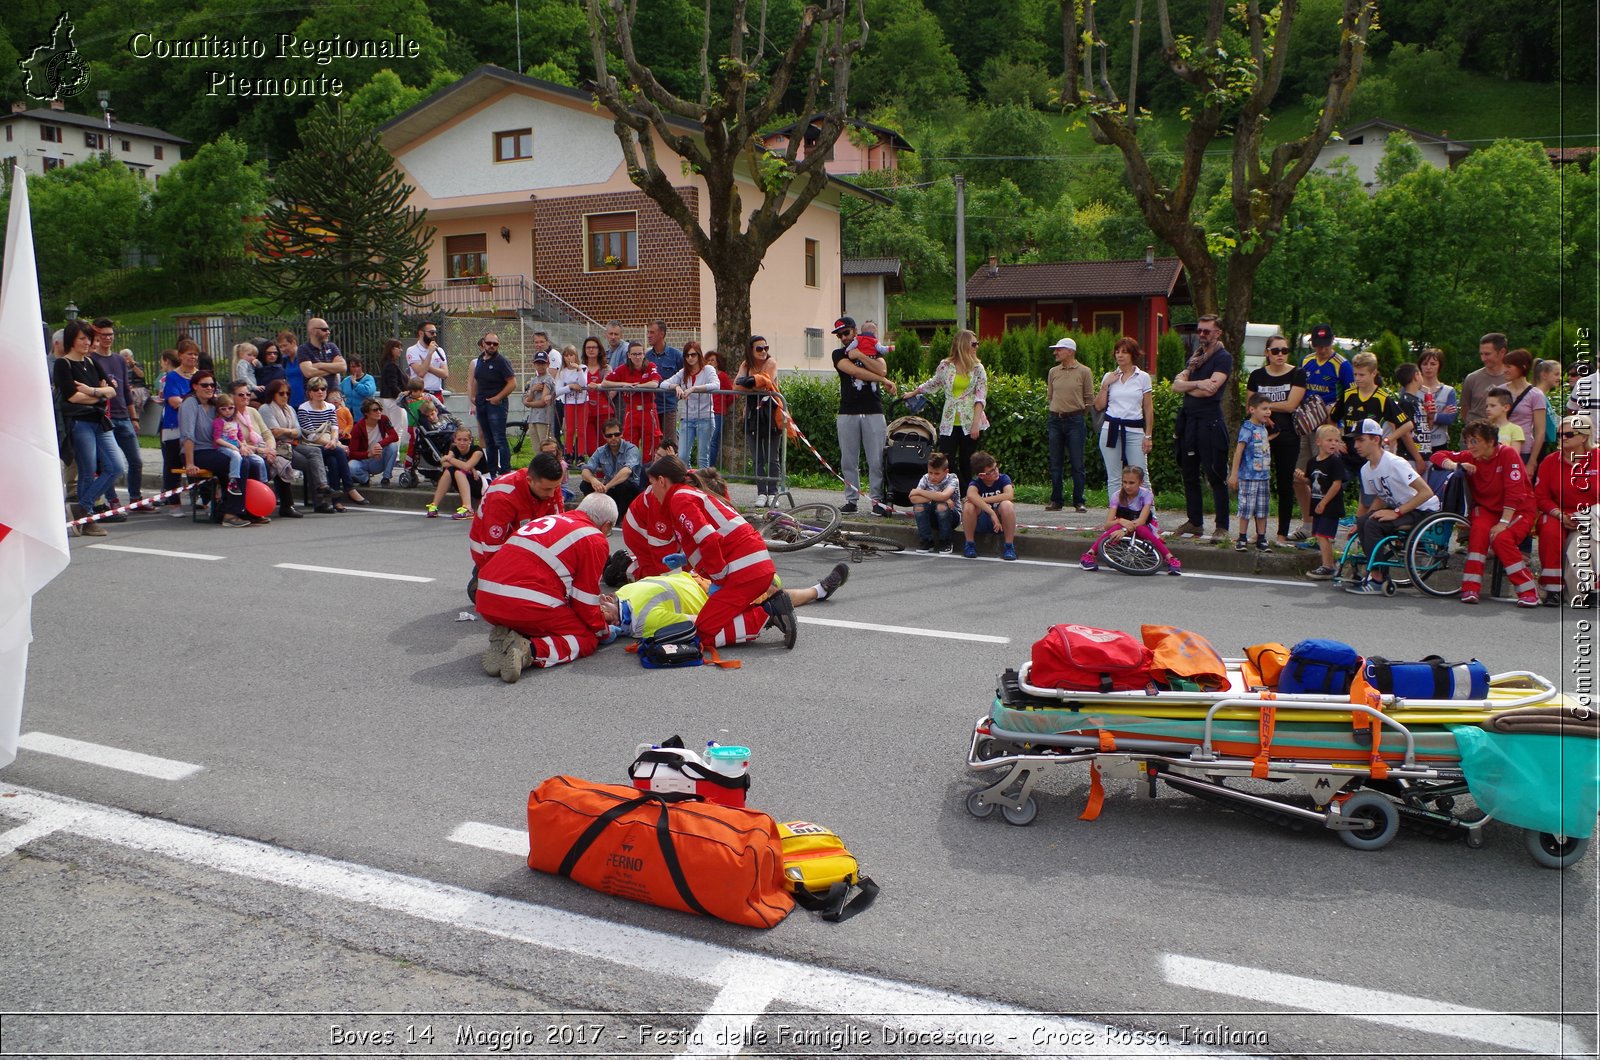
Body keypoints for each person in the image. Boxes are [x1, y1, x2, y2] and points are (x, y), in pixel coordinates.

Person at [644, 456, 797, 650]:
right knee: (708, 624)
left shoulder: (679, 499)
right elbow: (711, 538)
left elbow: (709, 539)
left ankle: (767, 612)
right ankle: (769, 610)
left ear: (661, 481)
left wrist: (718, 578)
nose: (651, 491)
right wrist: (686, 559)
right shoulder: (687, 494)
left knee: (703, 635)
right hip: (752, 568)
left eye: (651, 484)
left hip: (744, 573)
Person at [475, 494, 621, 683]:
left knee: (549, 613)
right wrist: (603, 631)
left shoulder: (549, 520)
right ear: (607, 525)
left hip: (486, 597)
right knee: (585, 639)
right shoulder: (594, 538)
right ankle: (528, 651)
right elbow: (584, 601)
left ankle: (508, 636)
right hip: (523, 603)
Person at [1430, 422, 1539, 607]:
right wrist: (1454, 464)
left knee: (1501, 538)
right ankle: (1470, 588)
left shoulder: (1508, 454)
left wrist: (1503, 522)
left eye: (1474, 441)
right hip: (1488, 509)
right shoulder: (1470, 456)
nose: (1469, 445)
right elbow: (1436, 456)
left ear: (1490, 441)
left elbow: (1514, 493)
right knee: (1479, 531)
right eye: (1467, 441)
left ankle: (1528, 591)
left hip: (1518, 510)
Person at [1344, 418, 1439, 596]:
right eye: (1354, 440)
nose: (1356, 445)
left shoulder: (1395, 463)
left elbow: (1426, 492)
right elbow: (1380, 498)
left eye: (1360, 440)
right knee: (1366, 521)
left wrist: (1396, 512)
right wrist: (1359, 522)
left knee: (1373, 524)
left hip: (1423, 509)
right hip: (1403, 509)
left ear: (1376, 439)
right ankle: (1374, 570)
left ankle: (1378, 578)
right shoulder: (1366, 470)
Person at [53, 319, 126, 532]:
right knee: (87, 471)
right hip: (80, 422)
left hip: (100, 421)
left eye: (89, 339)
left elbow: (112, 390)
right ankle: (87, 520)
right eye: (82, 338)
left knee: (116, 467)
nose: (87, 343)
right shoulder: (63, 364)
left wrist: (92, 391)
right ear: (71, 340)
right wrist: (99, 395)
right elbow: (72, 397)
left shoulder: (92, 362)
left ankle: (82, 509)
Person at [1171, 314, 1234, 540]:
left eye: (1207, 331)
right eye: (1200, 330)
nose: (1202, 335)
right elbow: (1176, 386)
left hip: (1210, 423)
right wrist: (1196, 383)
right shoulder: (1195, 357)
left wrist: (1188, 386)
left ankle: (1222, 527)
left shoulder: (1223, 358)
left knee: (1215, 474)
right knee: (1189, 472)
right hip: (1190, 422)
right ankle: (1195, 521)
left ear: (1218, 333)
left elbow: (1211, 390)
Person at [905, 329, 989, 497]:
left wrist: (975, 425)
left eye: (977, 343)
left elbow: (980, 396)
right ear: (963, 344)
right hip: (949, 420)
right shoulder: (946, 365)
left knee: (968, 461)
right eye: (973, 344)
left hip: (969, 420)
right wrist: (914, 393)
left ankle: (969, 497)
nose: (976, 347)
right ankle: (966, 493)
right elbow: (934, 382)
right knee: (946, 459)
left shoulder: (977, 368)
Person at [1291, 324, 1354, 541]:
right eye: (1318, 345)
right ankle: (1308, 524)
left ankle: (1327, 529)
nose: (1322, 350)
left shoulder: (1342, 365)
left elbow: (1350, 396)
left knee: (1328, 476)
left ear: (1332, 341)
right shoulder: (1307, 361)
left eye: (1325, 345)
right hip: (1308, 424)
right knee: (1300, 475)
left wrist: (1335, 418)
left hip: (1329, 425)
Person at [831, 315, 895, 516]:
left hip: (873, 410)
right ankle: (851, 500)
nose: (843, 337)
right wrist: (883, 380)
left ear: (855, 331)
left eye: (846, 333)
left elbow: (882, 368)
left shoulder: (874, 349)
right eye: (840, 335)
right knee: (849, 460)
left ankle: (877, 501)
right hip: (848, 411)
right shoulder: (838, 353)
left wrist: (860, 355)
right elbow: (854, 372)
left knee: (875, 459)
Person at [179, 371, 259, 527]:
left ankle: (247, 509)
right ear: (195, 386)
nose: (209, 388)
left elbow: (230, 428)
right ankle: (231, 514)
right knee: (241, 464)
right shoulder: (190, 403)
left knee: (252, 463)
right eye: (205, 385)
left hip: (215, 449)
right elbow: (187, 435)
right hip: (197, 452)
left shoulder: (216, 405)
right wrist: (189, 463)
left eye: (212, 385)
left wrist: (241, 445)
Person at [1247, 335, 1306, 545]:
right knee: (1258, 484)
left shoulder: (1297, 374)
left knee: (1284, 484)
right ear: (1267, 353)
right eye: (1275, 351)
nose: (1280, 354)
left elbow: (1291, 406)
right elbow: (1250, 406)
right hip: (1260, 435)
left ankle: (1282, 533)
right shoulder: (1256, 375)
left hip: (1288, 435)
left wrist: (1263, 407)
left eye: (1284, 350)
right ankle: (1259, 532)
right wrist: (1263, 410)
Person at [1536, 414, 1599, 607]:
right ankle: (1553, 589)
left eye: (1569, 434)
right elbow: (1541, 497)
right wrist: (1559, 515)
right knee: (1549, 530)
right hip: (1559, 513)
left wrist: (1584, 515)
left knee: (1582, 541)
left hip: (1592, 514)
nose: (1563, 438)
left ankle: (1590, 589)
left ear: (1583, 437)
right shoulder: (1550, 461)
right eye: (1560, 434)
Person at [1080, 465, 1180, 575]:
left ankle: (1170, 558)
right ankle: (1089, 555)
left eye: (1131, 483)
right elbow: (1107, 525)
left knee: (1142, 528)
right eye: (1124, 482)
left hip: (1141, 527)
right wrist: (1120, 521)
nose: (1127, 486)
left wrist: (1124, 530)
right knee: (1115, 526)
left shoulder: (1146, 495)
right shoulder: (1116, 496)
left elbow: (1142, 520)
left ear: (1141, 482)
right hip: (1121, 526)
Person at [1331, 352, 1413, 486]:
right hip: (1348, 456)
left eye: (1361, 375)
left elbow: (1407, 424)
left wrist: (1388, 439)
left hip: (1370, 458)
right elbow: (1332, 418)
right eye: (1355, 374)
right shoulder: (1348, 394)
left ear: (1373, 373)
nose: (1357, 378)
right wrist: (1338, 440)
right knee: (1333, 490)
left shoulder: (1382, 398)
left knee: (1369, 498)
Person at [469, 450, 565, 561]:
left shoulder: (550, 485)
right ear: (530, 481)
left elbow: (556, 530)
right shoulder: (502, 495)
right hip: (490, 553)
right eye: (547, 489)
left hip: (527, 551)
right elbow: (492, 548)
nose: (552, 494)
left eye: (556, 487)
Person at [89, 318, 140, 517]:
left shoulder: (119, 359)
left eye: (110, 334)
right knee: (109, 464)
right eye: (103, 335)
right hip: (105, 417)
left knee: (135, 460)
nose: (107, 338)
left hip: (123, 415)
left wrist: (134, 417)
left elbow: (126, 390)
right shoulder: (93, 359)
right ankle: (113, 500)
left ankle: (135, 498)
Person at [260, 378, 334, 513]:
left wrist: (285, 431)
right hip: (278, 447)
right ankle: (318, 502)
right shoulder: (266, 409)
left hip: (292, 444)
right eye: (281, 393)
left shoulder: (289, 409)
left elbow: (299, 431)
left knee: (315, 452)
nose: (285, 396)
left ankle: (322, 487)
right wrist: (290, 432)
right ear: (273, 394)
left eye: (287, 393)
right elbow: (274, 433)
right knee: (311, 463)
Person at [229, 379, 300, 518]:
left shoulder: (252, 412)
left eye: (248, 394)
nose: (246, 397)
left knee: (281, 460)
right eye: (241, 395)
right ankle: (254, 507)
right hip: (246, 450)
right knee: (266, 463)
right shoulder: (229, 414)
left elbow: (267, 433)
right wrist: (263, 451)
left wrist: (271, 449)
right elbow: (236, 441)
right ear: (232, 396)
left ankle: (287, 505)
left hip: (264, 449)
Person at [1094, 336, 1155, 496]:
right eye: (1117, 352)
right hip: (1111, 429)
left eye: (1125, 352)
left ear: (1133, 355)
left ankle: (1150, 518)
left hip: (1135, 431)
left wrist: (1148, 435)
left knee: (1142, 476)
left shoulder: (1142, 377)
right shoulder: (1109, 376)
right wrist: (1106, 384)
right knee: (1114, 478)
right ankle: (1116, 517)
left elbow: (1148, 408)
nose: (1120, 355)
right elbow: (1099, 405)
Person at [735, 336, 785, 506]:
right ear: (751, 350)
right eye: (759, 349)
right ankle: (761, 492)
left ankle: (773, 491)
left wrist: (750, 383)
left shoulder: (771, 362)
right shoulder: (745, 365)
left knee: (772, 456)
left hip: (771, 414)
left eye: (766, 348)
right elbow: (736, 386)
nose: (763, 351)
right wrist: (753, 383)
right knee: (758, 457)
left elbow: (767, 382)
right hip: (752, 415)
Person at [1046, 336, 1094, 513]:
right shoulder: (1053, 372)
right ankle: (1056, 500)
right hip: (1055, 419)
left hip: (1075, 420)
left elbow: (1089, 398)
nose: (1055, 352)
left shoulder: (1084, 371)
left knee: (1077, 463)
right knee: (1055, 462)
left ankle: (1079, 501)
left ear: (1070, 351)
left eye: (1059, 349)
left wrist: (1080, 414)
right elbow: (1050, 395)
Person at [299, 378, 363, 508]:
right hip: (312, 446)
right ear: (310, 393)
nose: (320, 392)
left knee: (334, 461)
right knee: (339, 451)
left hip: (329, 444)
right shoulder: (303, 409)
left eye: (323, 389)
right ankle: (349, 487)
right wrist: (335, 444)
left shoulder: (330, 407)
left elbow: (335, 427)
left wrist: (334, 440)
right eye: (316, 389)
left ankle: (336, 501)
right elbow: (311, 435)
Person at [1298, 424, 1348, 580]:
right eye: (1329, 440)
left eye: (1336, 440)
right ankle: (1327, 564)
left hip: (1330, 505)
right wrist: (1302, 478)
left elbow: (1337, 484)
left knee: (1323, 535)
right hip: (1317, 502)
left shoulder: (1335, 462)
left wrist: (1324, 502)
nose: (1333, 443)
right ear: (1318, 442)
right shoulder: (1313, 462)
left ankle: (1328, 566)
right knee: (1319, 535)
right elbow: (1311, 480)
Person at [659, 342, 719, 468]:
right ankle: (689, 480)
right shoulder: (683, 372)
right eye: (687, 355)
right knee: (683, 456)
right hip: (687, 417)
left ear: (699, 355)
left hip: (705, 416)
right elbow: (663, 384)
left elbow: (716, 385)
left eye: (693, 354)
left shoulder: (708, 369)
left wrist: (694, 388)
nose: (690, 358)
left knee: (703, 456)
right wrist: (676, 386)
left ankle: (702, 485)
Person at [1228, 394, 1275, 553]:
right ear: (1252, 409)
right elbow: (1239, 451)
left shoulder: (1263, 428)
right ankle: (1242, 537)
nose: (1268, 412)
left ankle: (1261, 538)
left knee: (1262, 509)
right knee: (1246, 508)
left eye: (1269, 409)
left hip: (1263, 476)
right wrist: (1234, 474)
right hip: (1248, 476)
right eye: (1264, 409)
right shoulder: (1247, 428)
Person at [469, 331, 517, 477]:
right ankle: (492, 472)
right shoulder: (480, 359)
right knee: (488, 439)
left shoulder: (501, 361)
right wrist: (472, 396)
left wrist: (498, 397)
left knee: (499, 439)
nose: (491, 346)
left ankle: (505, 472)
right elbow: (475, 379)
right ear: (483, 343)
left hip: (496, 405)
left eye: (495, 344)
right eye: (489, 343)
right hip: (482, 403)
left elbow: (512, 383)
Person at [158, 344, 199, 507]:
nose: (193, 357)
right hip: (174, 425)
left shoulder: (201, 377)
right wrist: (195, 405)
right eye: (189, 354)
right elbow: (174, 401)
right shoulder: (173, 377)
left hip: (197, 427)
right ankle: (173, 502)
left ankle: (197, 498)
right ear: (180, 356)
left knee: (196, 463)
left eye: (196, 354)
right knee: (173, 464)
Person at [603, 341, 661, 455]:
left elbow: (654, 383)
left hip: (648, 411)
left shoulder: (650, 366)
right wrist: (623, 384)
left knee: (651, 443)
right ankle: (631, 470)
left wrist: (637, 386)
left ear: (644, 354)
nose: (637, 357)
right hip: (631, 411)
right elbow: (605, 383)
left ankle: (647, 470)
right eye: (634, 354)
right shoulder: (623, 369)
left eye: (640, 354)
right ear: (629, 355)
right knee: (629, 443)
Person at [961, 450, 1017, 561]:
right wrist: (991, 513)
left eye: (996, 467)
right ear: (981, 475)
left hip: (1001, 523)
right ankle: (970, 544)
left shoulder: (1003, 478)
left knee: (1007, 505)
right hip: (983, 521)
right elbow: (971, 496)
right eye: (991, 471)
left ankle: (1009, 546)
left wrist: (981, 500)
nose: (996, 471)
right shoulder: (975, 483)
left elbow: (1009, 495)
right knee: (969, 506)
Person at [581, 417, 645, 514]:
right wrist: (593, 481)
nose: (613, 438)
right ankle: (594, 514)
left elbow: (627, 471)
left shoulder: (631, 449)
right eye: (609, 435)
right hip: (610, 488)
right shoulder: (601, 451)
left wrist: (607, 487)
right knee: (585, 485)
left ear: (622, 434)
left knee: (623, 486)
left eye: (617, 434)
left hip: (630, 489)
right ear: (604, 436)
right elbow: (585, 470)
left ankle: (622, 518)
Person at [1500, 348, 1547, 471]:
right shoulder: (1499, 391)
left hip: (1524, 450)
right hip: (1499, 447)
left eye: (1509, 366)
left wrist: (1532, 462)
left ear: (1523, 367)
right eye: (1504, 366)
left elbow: (1540, 431)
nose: (1504, 370)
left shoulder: (1536, 395)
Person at [211, 392, 266, 495]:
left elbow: (240, 437)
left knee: (259, 460)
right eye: (223, 409)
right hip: (223, 447)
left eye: (230, 408)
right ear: (218, 410)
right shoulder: (218, 421)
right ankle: (233, 481)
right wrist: (232, 446)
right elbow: (217, 439)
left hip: (236, 446)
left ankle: (263, 483)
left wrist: (243, 446)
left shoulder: (235, 422)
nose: (227, 411)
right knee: (236, 456)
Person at [428, 425, 485, 519]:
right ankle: (434, 505)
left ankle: (468, 509)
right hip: (466, 482)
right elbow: (444, 464)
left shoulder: (477, 451)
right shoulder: (454, 449)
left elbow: (465, 467)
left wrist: (450, 459)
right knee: (449, 471)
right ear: (454, 440)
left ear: (470, 440)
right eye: (459, 439)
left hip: (482, 485)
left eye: (465, 440)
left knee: (459, 472)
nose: (462, 443)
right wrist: (469, 468)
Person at [909, 451, 961, 553]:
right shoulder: (925, 478)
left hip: (951, 516)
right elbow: (913, 498)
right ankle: (926, 540)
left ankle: (946, 540)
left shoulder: (953, 479)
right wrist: (938, 497)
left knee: (941, 506)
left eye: (937, 473)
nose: (932, 477)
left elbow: (944, 496)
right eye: (930, 472)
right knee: (918, 506)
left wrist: (920, 491)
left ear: (946, 472)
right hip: (932, 515)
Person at [1414, 348, 1458, 460]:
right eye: (1425, 364)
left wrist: (1432, 416)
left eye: (1433, 364)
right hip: (1417, 444)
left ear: (1439, 366)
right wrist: (1440, 414)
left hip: (1439, 442)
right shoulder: (1412, 390)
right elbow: (1409, 417)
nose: (1428, 367)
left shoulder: (1449, 391)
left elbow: (1450, 418)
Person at [645, 320, 683, 445]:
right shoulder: (646, 356)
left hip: (668, 406)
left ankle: (673, 464)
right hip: (650, 406)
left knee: (669, 443)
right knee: (653, 442)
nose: (648, 335)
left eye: (652, 332)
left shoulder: (676, 355)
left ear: (661, 334)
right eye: (648, 332)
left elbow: (685, 375)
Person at [1460, 332, 1510, 426]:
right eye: (1481, 354)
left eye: (1487, 354)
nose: (1483, 358)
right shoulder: (1472, 378)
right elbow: (1464, 409)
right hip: (1474, 435)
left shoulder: (1512, 379)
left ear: (1502, 352)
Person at [348, 398, 400, 488]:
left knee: (393, 446)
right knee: (351, 466)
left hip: (379, 458)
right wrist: (369, 454)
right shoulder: (358, 428)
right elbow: (352, 453)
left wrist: (380, 444)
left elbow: (394, 436)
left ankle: (386, 478)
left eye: (380, 409)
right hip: (364, 460)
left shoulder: (384, 419)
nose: (379, 412)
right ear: (366, 413)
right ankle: (365, 479)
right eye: (375, 410)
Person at [555, 343, 590, 461]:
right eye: (566, 355)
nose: (569, 358)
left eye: (572, 355)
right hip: (569, 402)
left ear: (576, 356)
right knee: (569, 430)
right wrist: (570, 387)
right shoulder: (562, 372)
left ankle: (580, 454)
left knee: (581, 430)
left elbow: (583, 383)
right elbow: (558, 391)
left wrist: (579, 369)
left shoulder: (583, 367)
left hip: (582, 401)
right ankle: (568, 453)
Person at [377, 338, 409, 458]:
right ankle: (395, 455)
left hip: (391, 399)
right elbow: (393, 384)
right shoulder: (391, 366)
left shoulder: (389, 364)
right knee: (397, 428)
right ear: (391, 349)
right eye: (398, 347)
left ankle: (392, 453)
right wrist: (402, 395)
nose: (401, 350)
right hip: (394, 400)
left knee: (396, 427)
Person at [296, 318, 347, 390]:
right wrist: (333, 369)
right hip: (314, 396)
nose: (328, 332)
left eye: (328, 329)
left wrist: (318, 365)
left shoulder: (332, 346)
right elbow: (308, 373)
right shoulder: (303, 349)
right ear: (313, 331)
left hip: (334, 396)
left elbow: (343, 367)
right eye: (324, 329)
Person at [705, 349, 734, 467]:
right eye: (708, 360)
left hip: (717, 412)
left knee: (713, 441)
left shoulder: (723, 376)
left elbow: (731, 394)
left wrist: (723, 404)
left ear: (717, 362)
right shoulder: (706, 376)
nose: (710, 362)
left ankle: (709, 467)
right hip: (705, 411)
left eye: (713, 360)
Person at [406, 321, 448, 397]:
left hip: (437, 393)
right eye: (431, 332)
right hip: (421, 393)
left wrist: (427, 367)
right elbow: (421, 373)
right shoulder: (412, 350)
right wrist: (429, 353)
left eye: (435, 332)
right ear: (421, 333)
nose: (434, 335)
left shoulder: (439, 350)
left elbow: (445, 374)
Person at [1483, 388, 1525, 454]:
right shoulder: (1484, 429)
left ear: (1506, 408)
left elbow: (1514, 455)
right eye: (1487, 406)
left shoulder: (1515, 429)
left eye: (1492, 406)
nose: (1488, 409)